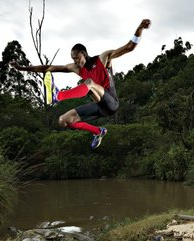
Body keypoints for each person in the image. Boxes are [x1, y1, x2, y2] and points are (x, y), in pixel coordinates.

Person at [10, 19, 151, 149]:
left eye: (77, 58)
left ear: (84, 53)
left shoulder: (102, 58)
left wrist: (140, 28)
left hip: (111, 103)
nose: (76, 62)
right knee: (63, 120)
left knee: (89, 83)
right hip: (99, 107)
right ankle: (98, 132)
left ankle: (58, 96)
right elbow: (48, 68)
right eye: (74, 60)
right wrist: (22, 68)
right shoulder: (77, 68)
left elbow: (129, 47)